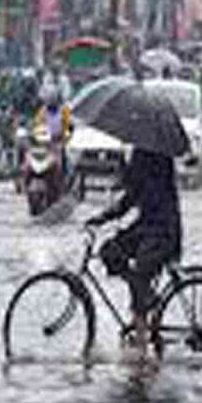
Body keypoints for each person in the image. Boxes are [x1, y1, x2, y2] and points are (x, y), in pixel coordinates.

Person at [86, 148, 183, 352]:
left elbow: (132, 196)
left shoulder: (153, 155)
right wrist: (104, 217)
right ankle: (143, 306)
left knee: (141, 269)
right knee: (110, 252)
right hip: (148, 226)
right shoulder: (146, 153)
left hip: (162, 230)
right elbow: (132, 196)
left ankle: (141, 334)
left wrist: (104, 217)